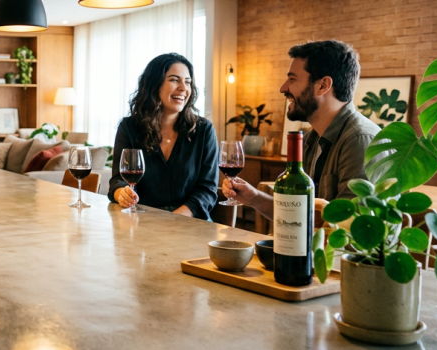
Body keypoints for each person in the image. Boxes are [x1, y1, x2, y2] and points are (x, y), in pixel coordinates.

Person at [223, 40, 380, 220]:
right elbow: (298, 215)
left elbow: (348, 228)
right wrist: (254, 198)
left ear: (323, 85)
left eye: (292, 79)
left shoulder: (360, 140)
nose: (283, 88)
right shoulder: (310, 141)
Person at [109, 53, 219, 219]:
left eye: (188, 82)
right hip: (143, 221)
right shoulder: (130, 127)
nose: (183, 88)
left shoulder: (204, 130)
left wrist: (172, 219)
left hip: (191, 224)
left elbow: (207, 190)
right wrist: (121, 193)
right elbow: (118, 179)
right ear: (155, 84)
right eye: (175, 79)